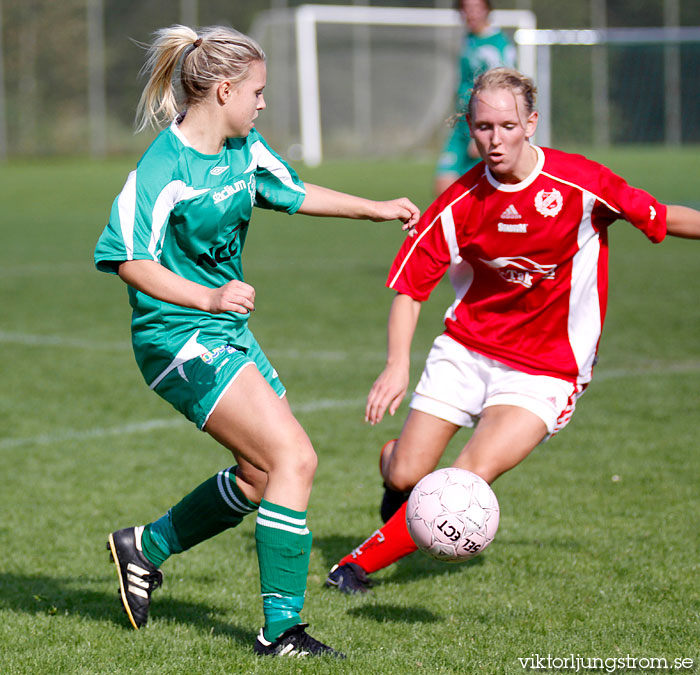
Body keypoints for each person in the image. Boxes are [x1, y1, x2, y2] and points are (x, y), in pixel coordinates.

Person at [94, 24, 419, 658]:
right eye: (258, 92)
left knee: (257, 474)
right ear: (222, 91)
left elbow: (295, 191)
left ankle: (145, 547)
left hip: (226, 331)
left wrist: (375, 208)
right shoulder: (163, 167)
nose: (264, 103)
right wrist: (207, 296)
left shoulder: (245, 150)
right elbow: (128, 258)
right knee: (294, 461)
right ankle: (282, 632)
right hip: (176, 337)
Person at [324, 67, 700, 594]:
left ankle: (354, 566)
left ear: (531, 123)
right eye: (482, 127)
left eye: (505, 125)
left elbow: (659, 216)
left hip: (545, 369)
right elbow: (411, 287)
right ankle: (396, 467)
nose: (494, 139)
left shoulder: (579, 184)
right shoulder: (461, 202)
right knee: (408, 476)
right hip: (466, 349)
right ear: (469, 128)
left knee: (467, 478)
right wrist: (396, 362)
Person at [435, 0, 516, 197]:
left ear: (487, 9)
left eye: (476, 8)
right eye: (466, 9)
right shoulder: (469, 39)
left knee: (480, 195)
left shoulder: (498, 44)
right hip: (462, 123)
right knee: (443, 187)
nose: (471, 14)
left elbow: (505, 88)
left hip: (481, 126)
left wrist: (484, 131)